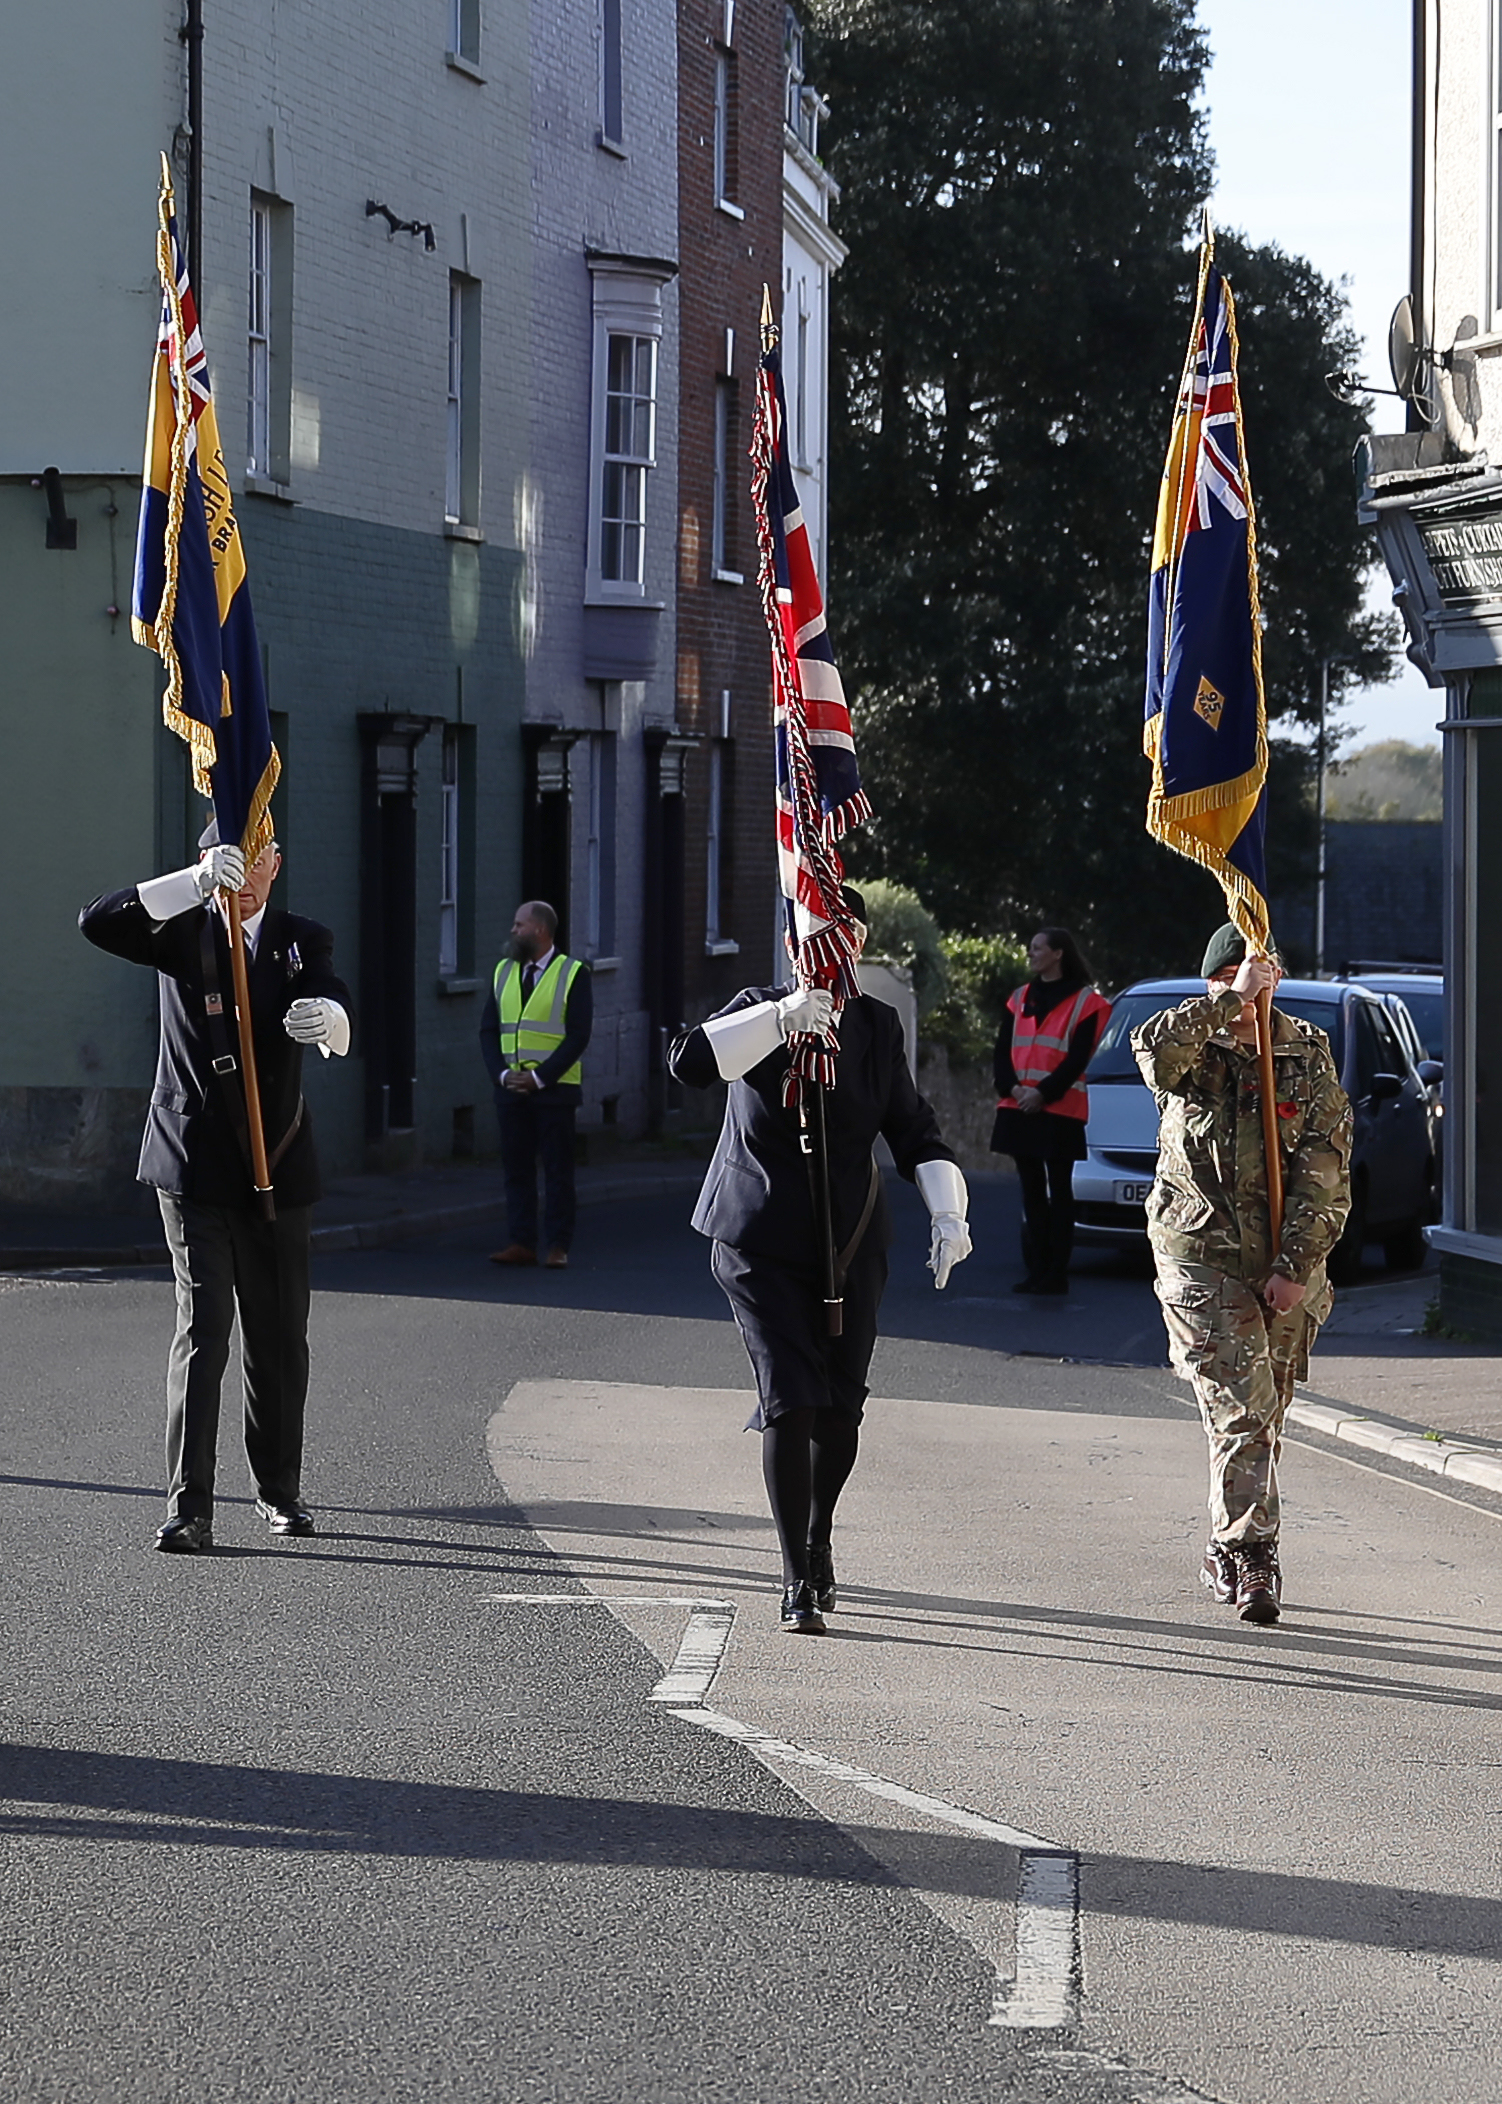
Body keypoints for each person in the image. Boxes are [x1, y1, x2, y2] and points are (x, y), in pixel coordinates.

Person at [668, 889, 972, 1635]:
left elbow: (914, 1130)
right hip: (759, 1243)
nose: (834, 949)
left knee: (839, 1410)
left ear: (860, 942)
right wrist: (779, 1020)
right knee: (790, 1397)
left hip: (849, 1244)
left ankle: (819, 1534)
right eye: (817, 934)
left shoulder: (875, 1025)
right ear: (793, 940)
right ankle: (796, 1578)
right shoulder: (757, 1009)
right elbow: (691, 1062)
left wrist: (948, 1210)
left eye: (847, 934)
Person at [79, 828, 352, 1552]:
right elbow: (98, 921)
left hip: (278, 1167)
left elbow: (333, 994)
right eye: (234, 860)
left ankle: (278, 1491)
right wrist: (191, 884)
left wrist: (331, 1023)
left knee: (279, 1336)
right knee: (203, 1332)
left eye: (260, 858)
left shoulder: (299, 938)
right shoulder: (181, 930)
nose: (249, 874)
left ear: (277, 864)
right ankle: (189, 1505)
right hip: (194, 1165)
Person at [1132, 923, 1352, 1624]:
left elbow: (1325, 1172)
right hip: (1201, 1259)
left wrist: (1293, 1267)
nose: (1252, 995)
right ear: (1213, 984)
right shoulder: (1194, 1052)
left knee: (1265, 1414)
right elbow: (1154, 1054)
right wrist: (1227, 1004)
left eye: (1260, 981)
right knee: (1241, 1410)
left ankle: (1225, 1546)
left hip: (1288, 1266)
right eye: (1228, 980)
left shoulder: (1306, 1054)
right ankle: (1256, 1554)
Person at [991, 928, 1112, 1294]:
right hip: (1019, 1104)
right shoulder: (1019, 998)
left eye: (1037, 948)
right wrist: (1014, 1089)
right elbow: (1001, 1051)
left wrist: (1042, 1094)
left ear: (1058, 954)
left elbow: (1078, 1057)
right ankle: (1037, 1269)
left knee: (1060, 1192)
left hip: (1059, 1110)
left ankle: (1056, 1273)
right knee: (1031, 1191)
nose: (1030, 954)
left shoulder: (1088, 1003)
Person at [480, 900, 593, 1270]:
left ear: (540, 931)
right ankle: (521, 1241)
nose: (513, 931)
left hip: (554, 1091)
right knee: (517, 1169)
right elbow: (489, 1030)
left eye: (519, 925)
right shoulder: (502, 972)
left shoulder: (573, 973)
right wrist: (501, 1075)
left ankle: (559, 1245)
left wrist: (540, 1078)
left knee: (558, 1171)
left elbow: (578, 1035)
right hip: (511, 1090)